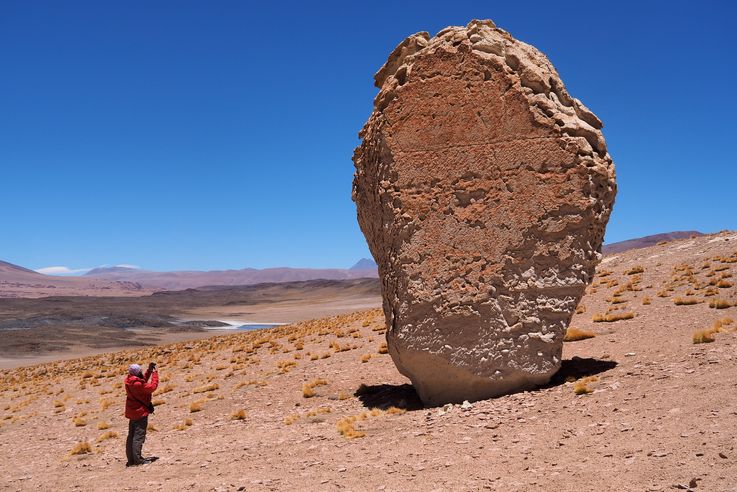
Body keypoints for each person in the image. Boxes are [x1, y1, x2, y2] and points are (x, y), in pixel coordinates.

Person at [124, 362, 159, 466]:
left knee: (131, 436)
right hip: (140, 412)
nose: (141, 372)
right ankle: (138, 460)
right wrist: (155, 373)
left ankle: (131, 460)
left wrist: (149, 371)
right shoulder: (138, 384)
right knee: (138, 436)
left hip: (132, 411)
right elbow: (152, 387)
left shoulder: (129, 381)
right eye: (140, 371)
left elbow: (141, 381)